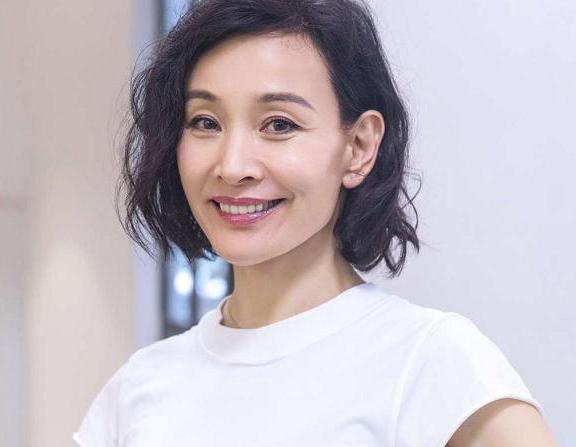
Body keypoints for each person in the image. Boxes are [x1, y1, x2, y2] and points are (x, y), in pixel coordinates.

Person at [73, 0, 558, 446]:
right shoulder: (139, 388)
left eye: (279, 124)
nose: (233, 165)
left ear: (359, 147)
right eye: (205, 122)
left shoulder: (432, 364)